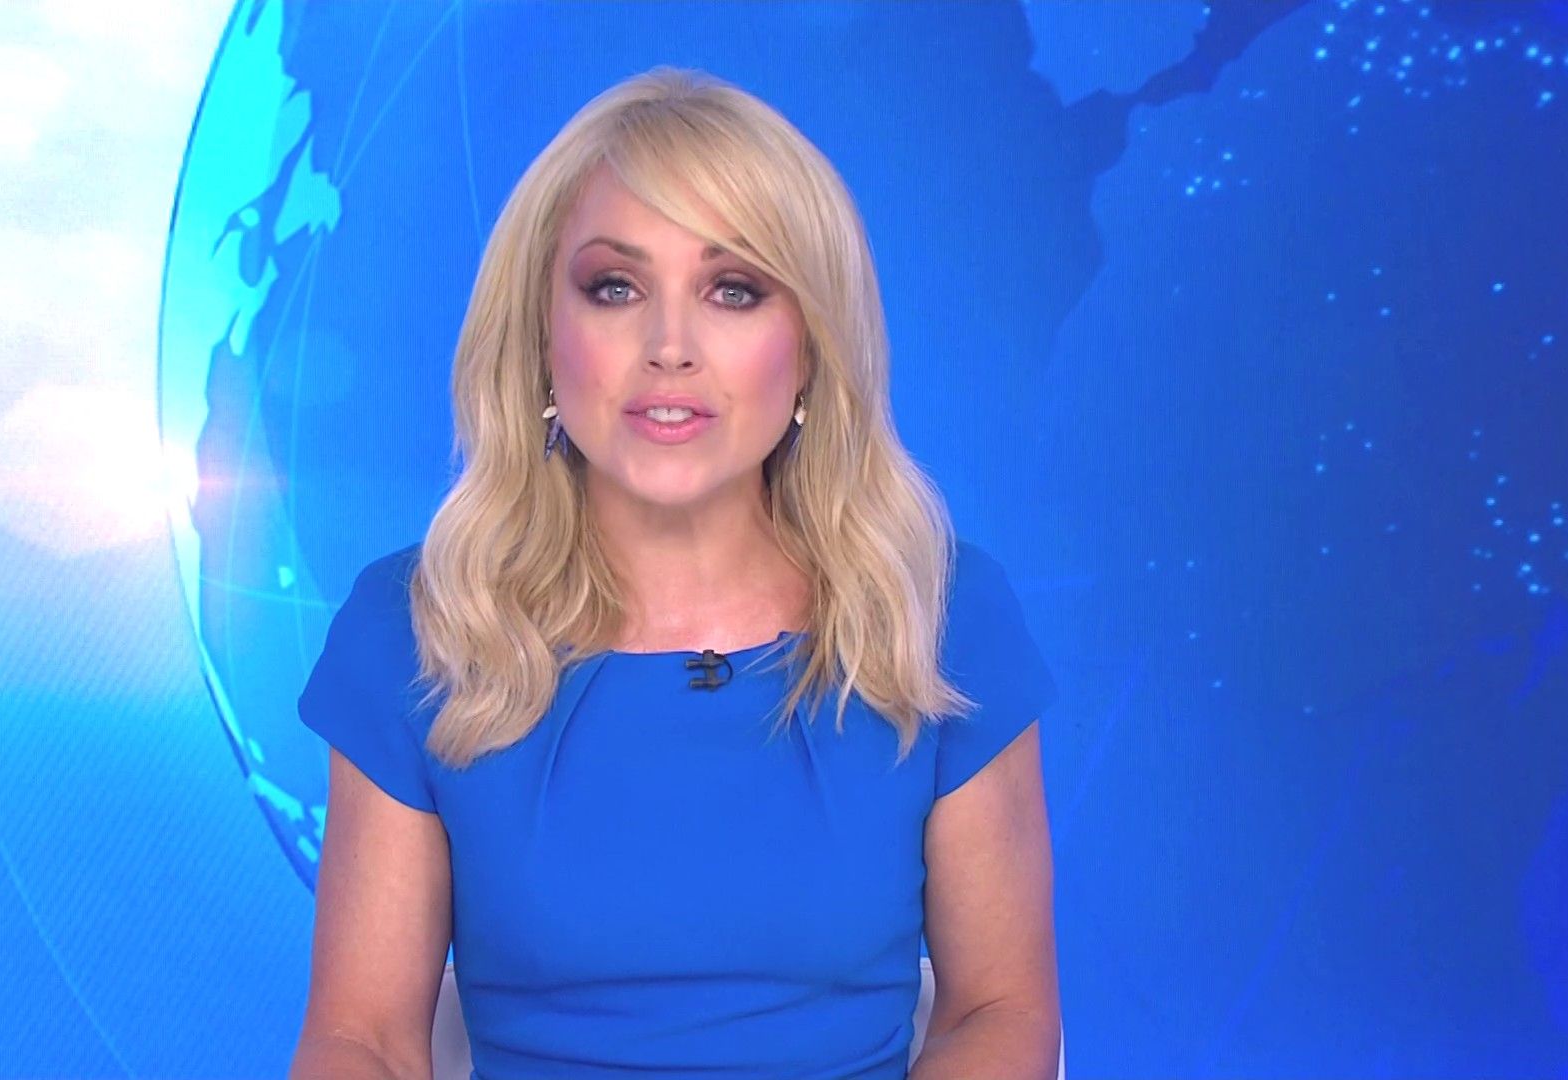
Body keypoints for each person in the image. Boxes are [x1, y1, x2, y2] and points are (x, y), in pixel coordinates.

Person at [290, 65, 1062, 1079]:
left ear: (810, 346)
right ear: (542, 335)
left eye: (733, 290)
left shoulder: (943, 616)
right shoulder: (416, 630)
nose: (669, 348)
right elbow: (364, 1042)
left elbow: (1001, 1014)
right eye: (615, 288)